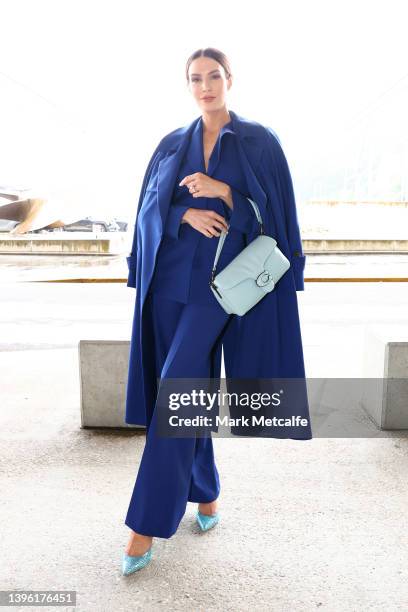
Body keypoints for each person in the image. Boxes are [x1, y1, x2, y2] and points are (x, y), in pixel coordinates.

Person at [122, 47, 311, 576]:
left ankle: (145, 524)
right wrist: (185, 209)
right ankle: (205, 493)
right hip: (168, 285)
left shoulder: (259, 142)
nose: (205, 86)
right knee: (183, 386)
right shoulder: (169, 145)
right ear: (188, 86)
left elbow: (279, 217)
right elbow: (145, 212)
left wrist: (226, 191)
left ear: (230, 79)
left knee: (180, 384)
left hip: (220, 289)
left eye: (214, 76)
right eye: (195, 79)